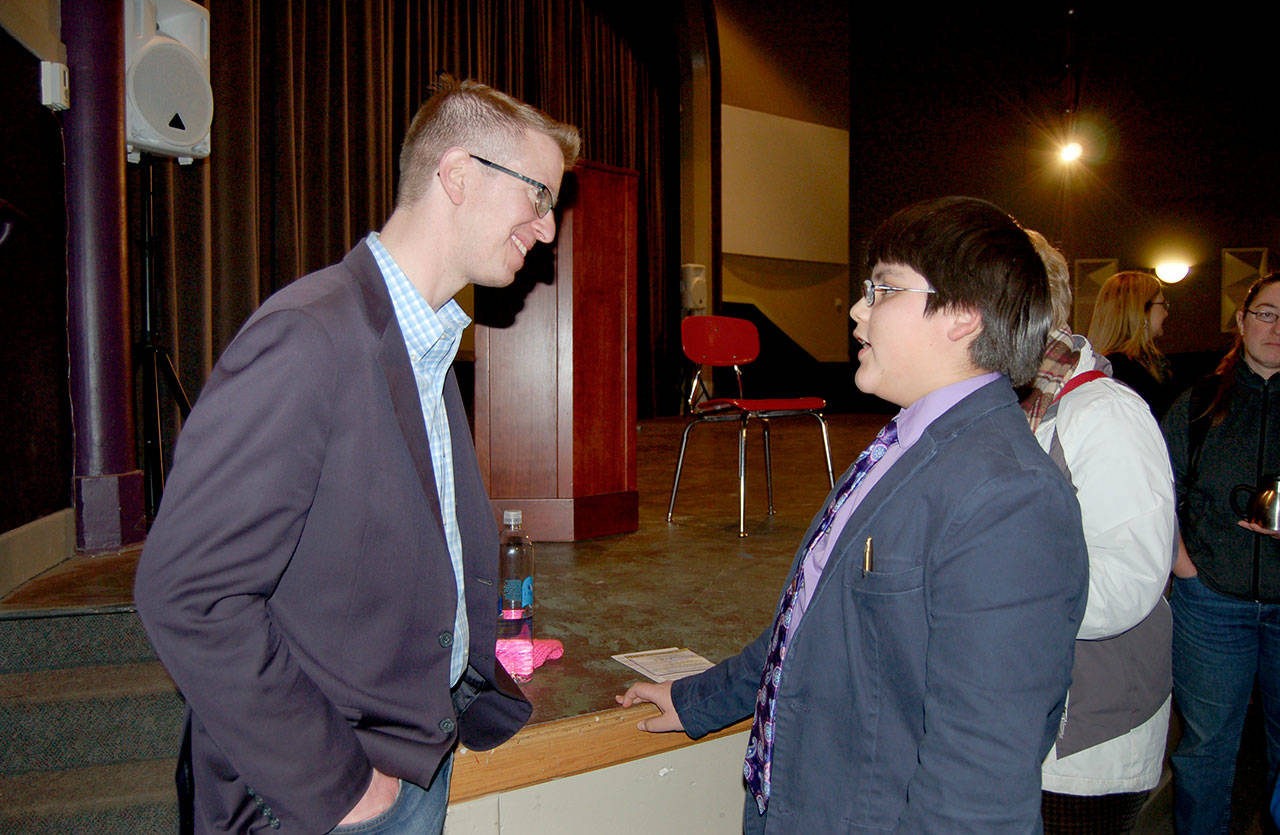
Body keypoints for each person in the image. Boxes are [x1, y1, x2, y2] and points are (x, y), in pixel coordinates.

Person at [133, 77, 580, 833]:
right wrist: (343, 785)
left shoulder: (426, 345)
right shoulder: (309, 337)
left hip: (409, 758)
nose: (546, 229)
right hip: (319, 794)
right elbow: (188, 593)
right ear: (459, 175)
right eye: (539, 196)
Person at [618, 197, 1089, 831]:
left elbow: (979, 786)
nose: (858, 310)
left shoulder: (1007, 498)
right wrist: (699, 698)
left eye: (884, 289)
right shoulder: (907, 444)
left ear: (965, 316)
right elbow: (815, 625)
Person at [1022, 231, 1176, 833]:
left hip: (1084, 740)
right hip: (1022, 719)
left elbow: (1127, 585)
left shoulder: (1106, 413)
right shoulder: (1006, 407)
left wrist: (979, 590)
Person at [1163, 272, 1280, 833]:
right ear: (1241, 320)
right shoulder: (1199, 404)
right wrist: (1186, 569)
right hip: (1212, 607)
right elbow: (1160, 494)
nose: (1276, 328)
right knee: (1208, 750)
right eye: (1265, 313)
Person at [1088, 270, 1177, 419]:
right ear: (1141, 311)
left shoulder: (1118, 365)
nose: (1166, 313)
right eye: (1162, 304)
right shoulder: (1122, 370)